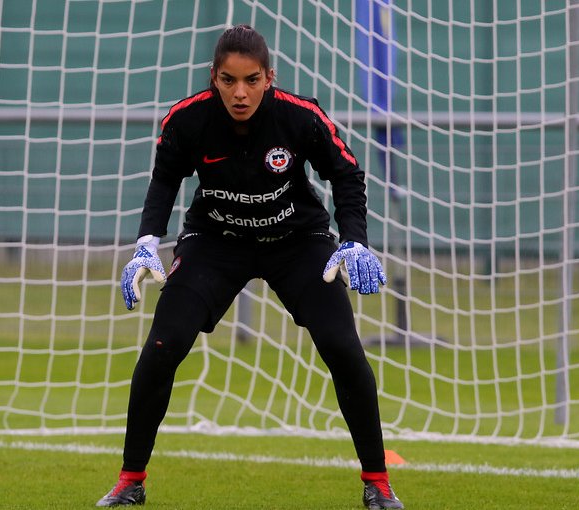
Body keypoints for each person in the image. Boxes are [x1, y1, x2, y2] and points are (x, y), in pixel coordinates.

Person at [96, 24, 404, 510]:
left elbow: (346, 174)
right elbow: (163, 182)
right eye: (228, 80)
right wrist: (146, 244)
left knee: (343, 346)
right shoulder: (186, 119)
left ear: (269, 78)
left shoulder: (302, 117)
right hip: (215, 241)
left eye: (252, 80)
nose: (240, 93)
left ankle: (379, 484)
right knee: (163, 344)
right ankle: (129, 482)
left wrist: (355, 243)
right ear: (213, 77)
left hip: (297, 241)